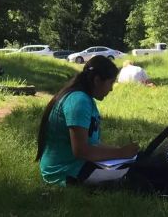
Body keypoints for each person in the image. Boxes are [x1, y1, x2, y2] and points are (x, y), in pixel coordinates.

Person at [36, 55, 139, 186]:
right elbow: (81, 151)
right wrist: (121, 153)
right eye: (111, 82)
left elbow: (93, 143)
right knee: (135, 174)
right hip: (64, 173)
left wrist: (123, 152)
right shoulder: (79, 101)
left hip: (75, 167)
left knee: (137, 166)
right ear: (97, 80)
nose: (111, 88)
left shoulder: (85, 99)